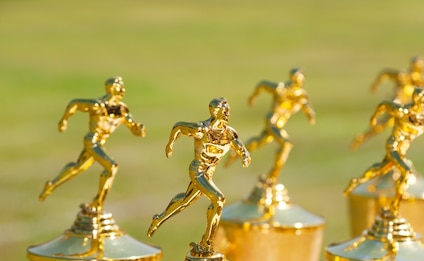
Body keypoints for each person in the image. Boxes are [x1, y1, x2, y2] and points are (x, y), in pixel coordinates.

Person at [147, 98, 250, 251]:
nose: (228, 114)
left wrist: (245, 156)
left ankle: (159, 218)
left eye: (229, 110)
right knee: (218, 199)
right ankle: (207, 242)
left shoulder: (229, 133)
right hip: (198, 170)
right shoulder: (202, 129)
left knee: (185, 201)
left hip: (209, 174)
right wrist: (170, 144)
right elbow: (179, 127)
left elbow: (240, 147)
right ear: (216, 112)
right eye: (225, 110)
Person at [39, 77, 146, 212]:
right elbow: (75, 104)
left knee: (78, 168)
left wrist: (140, 131)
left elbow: (134, 128)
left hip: (101, 143)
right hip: (92, 140)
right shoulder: (98, 105)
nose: (123, 90)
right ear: (112, 89)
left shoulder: (122, 110)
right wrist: (64, 120)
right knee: (111, 166)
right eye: (120, 87)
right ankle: (98, 204)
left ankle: (51, 185)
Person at [345, 87, 424, 215]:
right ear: (416, 101)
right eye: (422, 101)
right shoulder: (403, 111)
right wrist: (374, 118)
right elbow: (384, 105)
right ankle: (395, 205)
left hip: (403, 150)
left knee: (382, 168)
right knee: (406, 171)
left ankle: (357, 181)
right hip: (393, 146)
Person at [226, 68, 315, 183]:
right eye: (296, 80)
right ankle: (273, 176)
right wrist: (253, 97)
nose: (299, 83)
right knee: (286, 144)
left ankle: (237, 152)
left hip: (281, 123)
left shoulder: (302, 95)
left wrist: (310, 116)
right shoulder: (282, 89)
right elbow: (262, 84)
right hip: (272, 121)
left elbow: (308, 108)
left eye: (300, 80)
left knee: (259, 142)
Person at [352, 56, 424, 150]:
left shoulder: (422, 81)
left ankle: (396, 147)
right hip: (398, 104)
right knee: (384, 125)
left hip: (409, 108)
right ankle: (363, 137)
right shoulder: (405, 76)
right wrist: (376, 84)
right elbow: (386, 73)